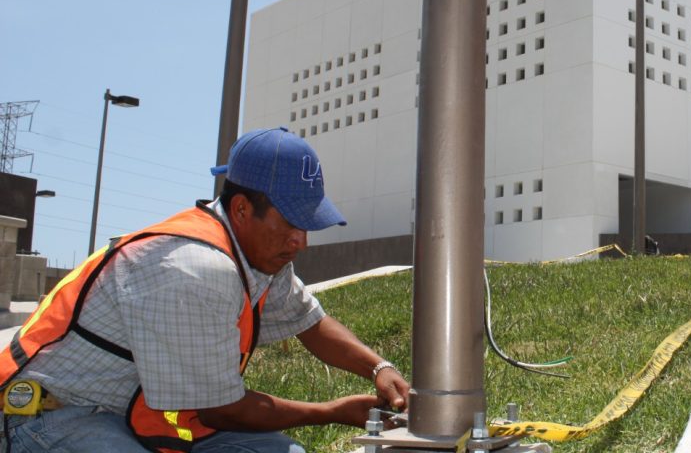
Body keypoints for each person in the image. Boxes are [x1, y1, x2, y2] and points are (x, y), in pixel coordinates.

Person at [0, 127, 410, 453]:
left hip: (135, 414)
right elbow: (222, 410)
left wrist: (379, 368)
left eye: (307, 225)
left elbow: (311, 323)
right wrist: (332, 411)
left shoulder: (261, 253)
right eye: (289, 224)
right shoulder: (193, 268)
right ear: (242, 210)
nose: (300, 241)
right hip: (52, 414)